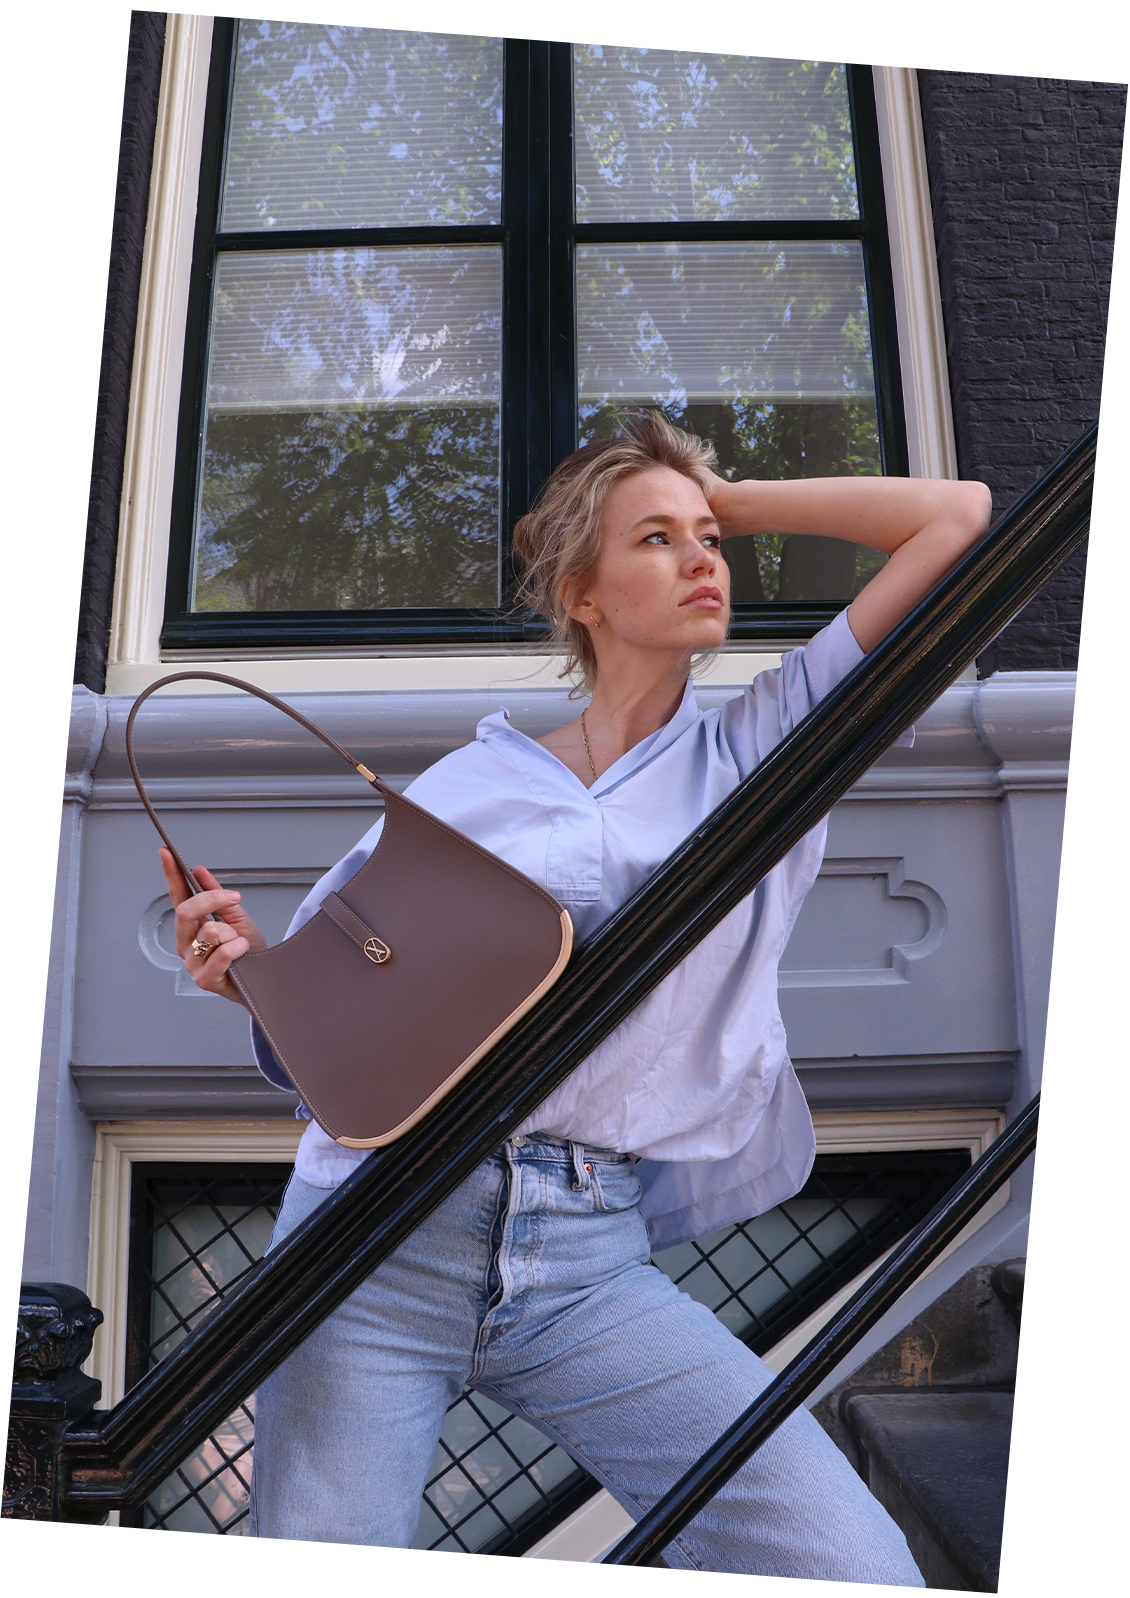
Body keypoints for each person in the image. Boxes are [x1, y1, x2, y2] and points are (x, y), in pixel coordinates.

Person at [163, 412, 991, 1592]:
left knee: (848, 1568)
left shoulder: (767, 738)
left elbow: (952, 518)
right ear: (580, 592)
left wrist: (716, 495)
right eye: (655, 540)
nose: (705, 559)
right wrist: (243, 963)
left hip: (583, 1251)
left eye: (711, 541)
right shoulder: (473, 777)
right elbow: (334, 1030)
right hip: (374, 1235)